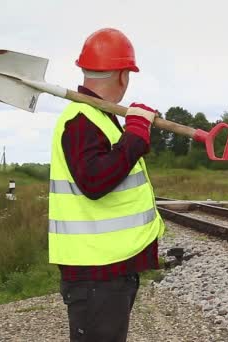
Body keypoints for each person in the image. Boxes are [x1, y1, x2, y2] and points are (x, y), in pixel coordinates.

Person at [48, 28, 165, 342]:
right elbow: (94, 181)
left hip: (108, 269)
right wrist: (134, 140)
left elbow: (111, 170)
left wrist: (134, 136)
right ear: (124, 75)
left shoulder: (98, 117)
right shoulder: (82, 119)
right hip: (95, 273)